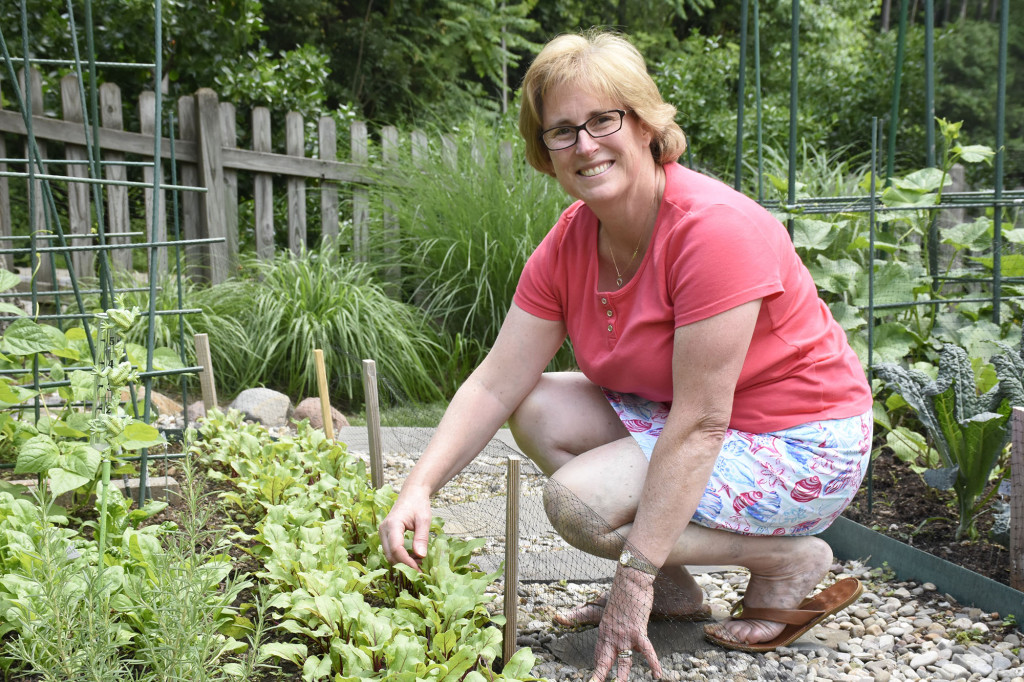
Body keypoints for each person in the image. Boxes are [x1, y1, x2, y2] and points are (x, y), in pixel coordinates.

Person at [379, 30, 874, 682]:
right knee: (537, 407)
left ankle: (782, 560)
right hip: (704, 424)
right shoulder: (572, 242)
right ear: (545, 151)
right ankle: (676, 590)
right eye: (562, 131)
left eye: (602, 119)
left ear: (643, 123)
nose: (584, 144)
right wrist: (419, 487)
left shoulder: (712, 231)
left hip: (803, 441)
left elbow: (702, 422)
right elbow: (497, 383)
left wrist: (628, 580)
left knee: (578, 504)